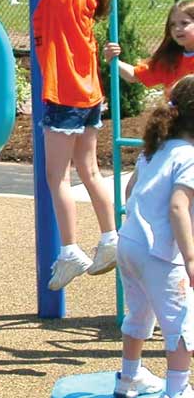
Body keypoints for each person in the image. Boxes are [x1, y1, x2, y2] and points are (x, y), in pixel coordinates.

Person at [30, 0, 117, 291]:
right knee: (90, 168)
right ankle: (110, 237)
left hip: (64, 97)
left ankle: (70, 250)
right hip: (89, 96)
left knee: (56, 177)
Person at [113, 74, 194, 398]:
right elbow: (178, 207)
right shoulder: (188, 157)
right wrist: (189, 258)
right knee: (182, 325)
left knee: (139, 314)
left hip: (130, 243)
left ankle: (129, 378)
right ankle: (178, 390)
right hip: (161, 254)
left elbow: (131, 188)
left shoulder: (155, 149)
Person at [105, 0, 194, 96]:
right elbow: (133, 75)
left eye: (184, 23)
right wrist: (112, 60)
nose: (177, 29)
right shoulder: (170, 60)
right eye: (173, 24)